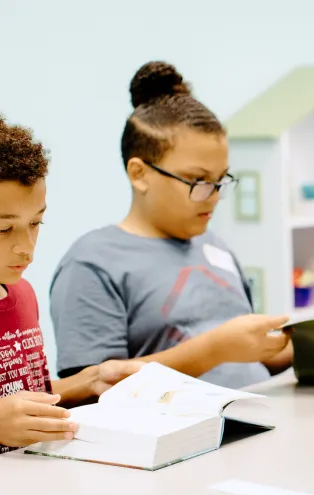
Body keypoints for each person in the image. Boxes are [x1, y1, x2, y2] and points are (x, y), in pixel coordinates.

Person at [50, 61, 292, 390]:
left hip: (259, 412)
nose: (214, 196)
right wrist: (213, 349)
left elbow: (248, 361)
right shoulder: (93, 262)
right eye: (198, 181)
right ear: (139, 174)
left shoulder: (216, 246)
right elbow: (91, 389)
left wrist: (308, 343)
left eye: (221, 180)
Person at [0, 115, 141, 452]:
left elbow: (26, 394)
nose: (27, 247)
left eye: (36, 223)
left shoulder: (23, 293)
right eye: (4, 229)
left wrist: (91, 380)